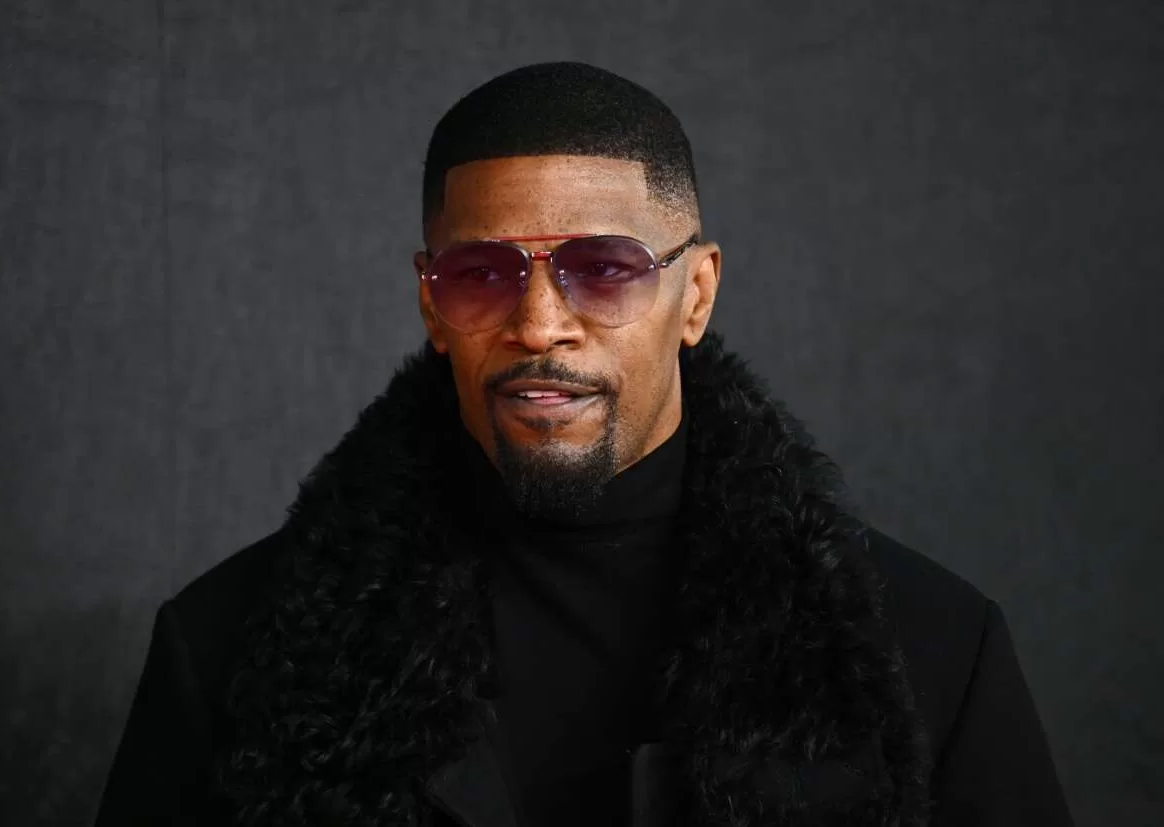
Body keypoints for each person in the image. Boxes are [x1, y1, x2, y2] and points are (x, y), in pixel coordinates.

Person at [95, 62, 1073, 827]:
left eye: (602, 268)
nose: (538, 324)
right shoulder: (231, 652)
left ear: (695, 294)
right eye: (483, 273)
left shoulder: (923, 654)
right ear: (431, 304)